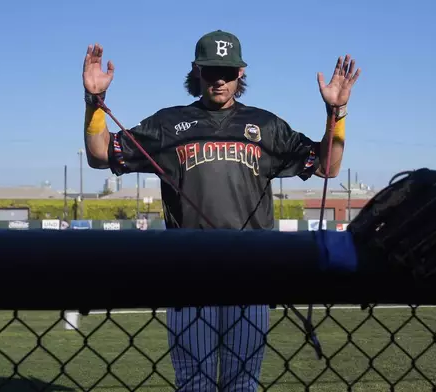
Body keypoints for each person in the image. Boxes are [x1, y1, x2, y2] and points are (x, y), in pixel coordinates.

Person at [81, 30, 360, 392]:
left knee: (242, 383)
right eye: (212, 71)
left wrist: (336, 112)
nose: (220, 80)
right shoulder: (168, 124)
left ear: (241, 73)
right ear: (197, 70)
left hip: (252, 272)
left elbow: (328, 166)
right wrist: (94, 101)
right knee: (194, 384)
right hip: (188, 272)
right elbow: (101, 155)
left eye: (227, 71)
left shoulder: (266, 126)